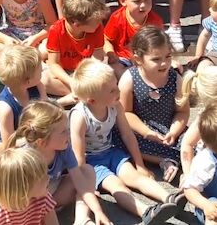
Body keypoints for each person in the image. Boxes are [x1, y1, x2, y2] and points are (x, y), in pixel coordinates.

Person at [70, 58, 185, 224]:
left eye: (116, 85)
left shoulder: (115, 105)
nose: (118, 91)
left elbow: (127, 135)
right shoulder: (80, 117)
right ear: (92, 100)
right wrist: (85, 185)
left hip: (111, 152)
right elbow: (79, 156)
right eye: (111, 90)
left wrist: (140, 164)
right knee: (117, 186)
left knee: (135, 177)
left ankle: (170, 198)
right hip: (92, 163)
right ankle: (146, 212)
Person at [119, 27, 189, 180]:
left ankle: (185, 168)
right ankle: (164, 161)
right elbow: (125, 113)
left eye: (168, 56)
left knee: (192, 141)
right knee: (122, 140)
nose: (164, 63)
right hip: (141, 128)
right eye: (156, 59)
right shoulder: (129, 78)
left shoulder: (175, 79)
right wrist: (146, 132)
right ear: (138, 59)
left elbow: (182, 111)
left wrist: (174, 131)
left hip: (169, 126)